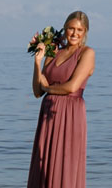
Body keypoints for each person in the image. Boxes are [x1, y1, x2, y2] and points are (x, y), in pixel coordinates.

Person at [28, 10, 95, 188]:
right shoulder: (53, 52)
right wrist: (37, 63)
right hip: (48, 115)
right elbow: (37, 91)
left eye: (79, 30)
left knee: (65, 163)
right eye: (71, 29)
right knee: (44, 161)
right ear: (65, 29)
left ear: (85, 32)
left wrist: (48, 88)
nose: (74, 34)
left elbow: (72, 87)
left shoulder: (87, 53)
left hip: (71, 114)